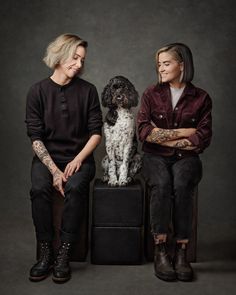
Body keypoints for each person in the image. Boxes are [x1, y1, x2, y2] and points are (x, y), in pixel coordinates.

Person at [25, 34, 103, 283]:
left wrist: (79, 159)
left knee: (77, 186)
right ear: (60, 54)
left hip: (79, 158)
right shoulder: (37, 91)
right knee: (39, 188)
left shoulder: (88, 91)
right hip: (46, 158)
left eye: (82, 59)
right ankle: (46, 251)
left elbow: (96, 133)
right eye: (75, 57)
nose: (79, 64)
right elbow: (35, 138)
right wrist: (55, 171)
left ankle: (65, 253)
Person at [137, 43, 212, 281]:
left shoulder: (201, 98)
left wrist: (164, 136)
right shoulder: (151, 94)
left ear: (182, 65)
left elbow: (202, 138)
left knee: (182, 184)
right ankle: (160, 250)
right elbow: (144, 132)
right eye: (159, 64)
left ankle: (181, 252)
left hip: (187, 159)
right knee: (161, 183)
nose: (161, 68)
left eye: (166, 63)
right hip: (153, 157)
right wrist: (183, 133)